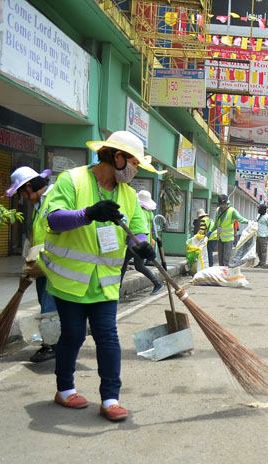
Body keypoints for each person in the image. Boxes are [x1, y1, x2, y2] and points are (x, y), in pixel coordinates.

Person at [38, 130, 161, 422]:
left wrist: (142, 246)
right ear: (117, 157)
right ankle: (65, 389)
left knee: (107, 337)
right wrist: (89, 213)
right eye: (134, 163)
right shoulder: (72, 180)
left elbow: (137, 229)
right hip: (70, 281)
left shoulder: (129, 196)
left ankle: (110, 398)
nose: (135, 171)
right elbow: (53, 218)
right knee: (74, 335)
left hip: (105, 282)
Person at [6, 166, 57, 363]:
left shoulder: (54, 199)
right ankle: (53, 342)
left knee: (50, 305)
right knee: (45, 302)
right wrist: (29, 262)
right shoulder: (38, 206)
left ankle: (51, 345)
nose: (24, 198)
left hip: (55, 264)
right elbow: (36, 235)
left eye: (22, 193)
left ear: (29, 187)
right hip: (41, 264)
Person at [120, 189, 163, 295]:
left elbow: (135, 227)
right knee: (127, 262)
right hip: (143, 241)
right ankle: (118, 284)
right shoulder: (150, 213)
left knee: (131, 264)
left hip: (137, 242)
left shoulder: (140, 211)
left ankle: (157, 283)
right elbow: (150, 229)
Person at [210, 194, 247, 268]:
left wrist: (249, 222)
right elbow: (216, 224)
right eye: (222, 205)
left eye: (225, 205)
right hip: (220, 237)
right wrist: (210, 231)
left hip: (228, 239)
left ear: (227, 203)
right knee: (220, 258)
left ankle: (226, 273)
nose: (223, 207)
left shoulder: (232, 211)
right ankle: (221, 272)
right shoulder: (218, 210)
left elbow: (240, 219)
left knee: (226, 258)